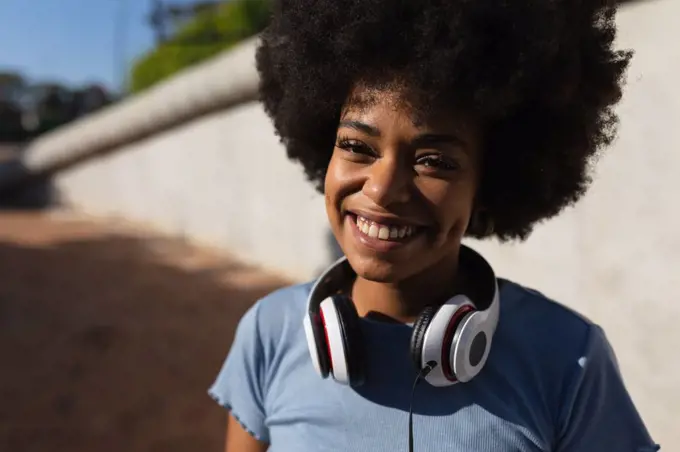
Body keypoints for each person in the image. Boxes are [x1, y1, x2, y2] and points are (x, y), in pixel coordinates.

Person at [208, 0, 661, 450]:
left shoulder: (568, 359)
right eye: (357, 147)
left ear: (489, 181)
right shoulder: (268, 334)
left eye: (434, 161)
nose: (383, 190)